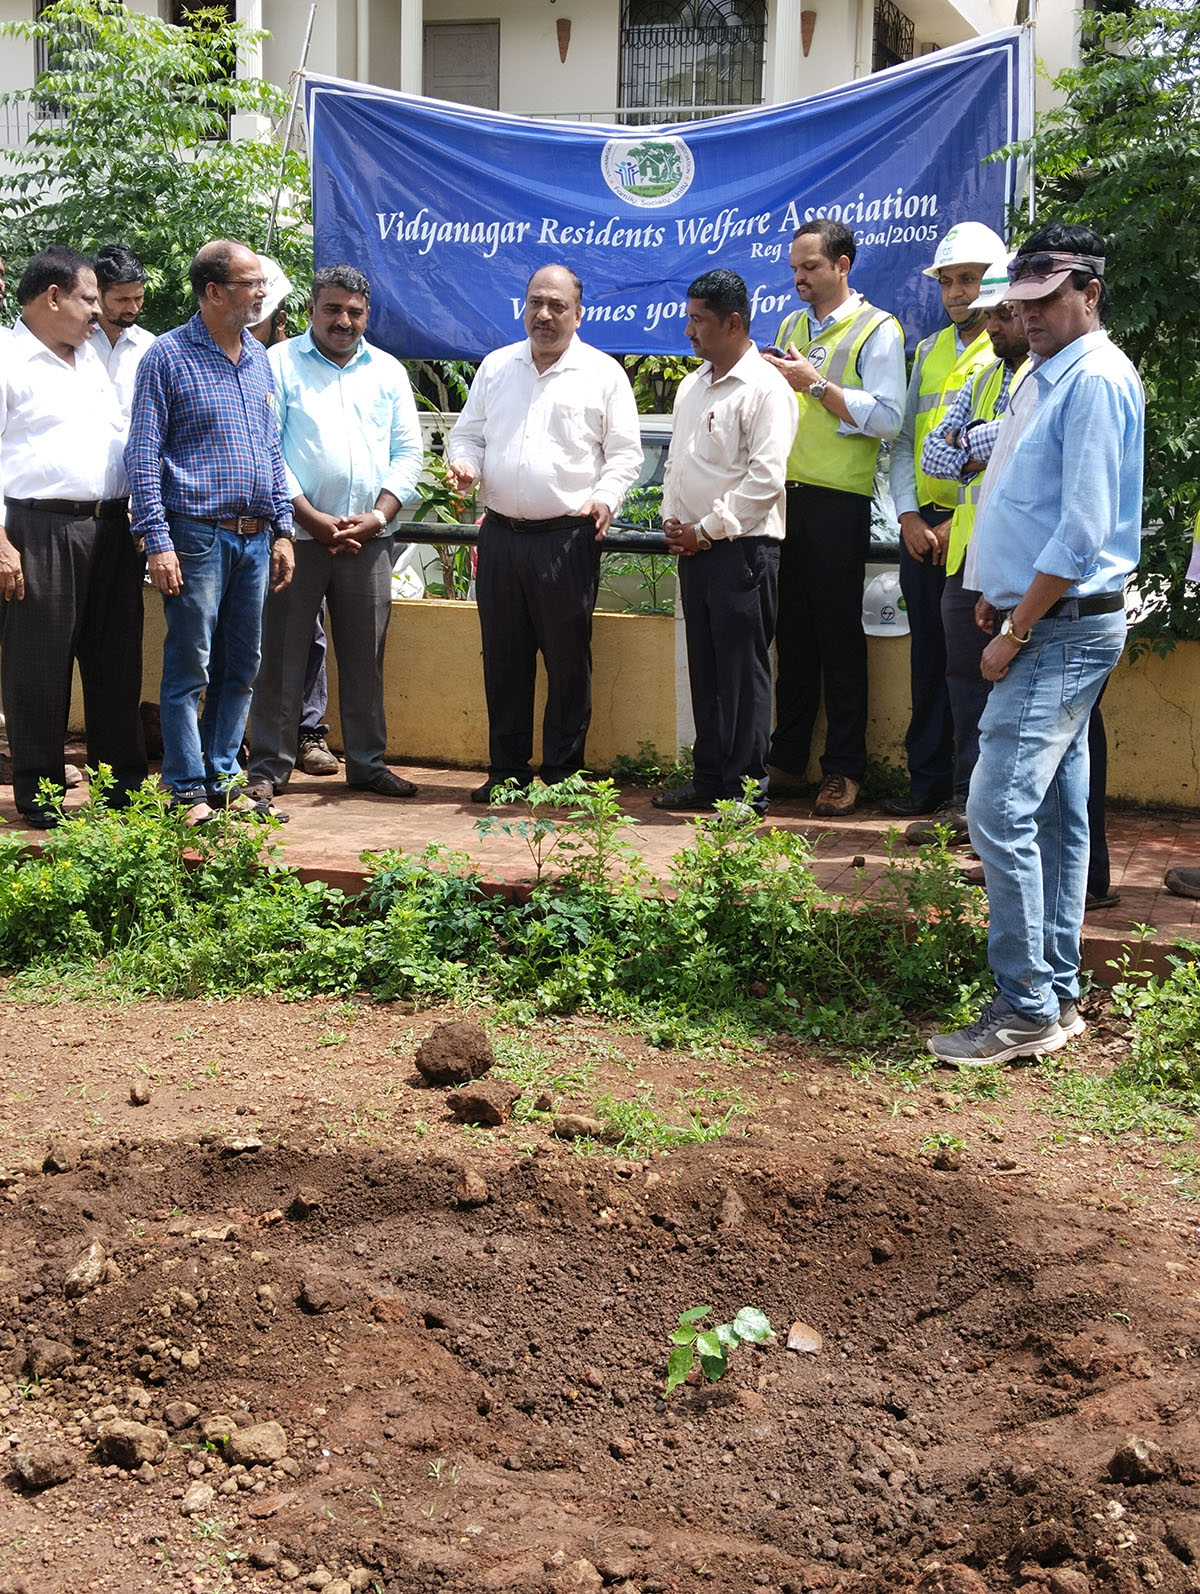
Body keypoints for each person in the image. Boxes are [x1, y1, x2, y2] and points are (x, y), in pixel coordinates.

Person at [928, 223, 1144, 1067]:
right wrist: (995, 593)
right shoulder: (1044, 375)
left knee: (996, 807)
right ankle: (1053, 992)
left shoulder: (1092, 380)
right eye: (1022, 301)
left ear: (1088, 292)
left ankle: (1024, 1007)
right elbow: (1022, 501)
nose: (1033, 314)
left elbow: (1084, 527)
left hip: (1058, 629)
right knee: (1053, 810)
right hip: (1040, 617)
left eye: (1049, 299)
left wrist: (1015, 630)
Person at [445, 263, 641, 803]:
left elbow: (625, 455)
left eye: (557, 305)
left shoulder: (603, 374)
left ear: (579, 314)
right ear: (523, 306)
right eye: (535, 302)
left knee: (567, 663)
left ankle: (561, 775)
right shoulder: (496, 366)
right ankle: (506, 773)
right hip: (501, 538)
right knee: (503, 660)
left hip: (567, 542)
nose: (545, 314)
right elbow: (467, 438)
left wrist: (605, 497)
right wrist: (465, 465)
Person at [125, 238, 295, 827]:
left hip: (253, 537)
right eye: (250, 283)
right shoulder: (167, 358)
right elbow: (143, 455)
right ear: (214, 291)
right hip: (194, 535)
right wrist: (157, 539)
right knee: (190, 664)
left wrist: (283, 530)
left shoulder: (258, 357)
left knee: (241, 663)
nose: (260, 292)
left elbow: (271, 453)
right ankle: (186, 788)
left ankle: (224, 776)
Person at [246, 265, 423, 801]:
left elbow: (408, 452)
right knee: (280, 655)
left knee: (366, 656)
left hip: (368, 541)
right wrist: (308, 517)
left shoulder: (388, 371)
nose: (343, 320)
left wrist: (378, 517)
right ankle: (268, 770)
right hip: (296, 540)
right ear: (310, 311)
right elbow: (268, 448)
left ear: (367, 314)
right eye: (333, 309)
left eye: (354, 311)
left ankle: (368, 763)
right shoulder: (276, 363)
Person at [761, 218, 906, 817]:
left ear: (843, 265)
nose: (798, 278)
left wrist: (816, 385)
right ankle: (788, 760)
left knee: (838, 640)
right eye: (794, 267)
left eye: (810, 267)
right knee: (791, 638)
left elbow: (890, 417)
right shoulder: (792, 325)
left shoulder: (879, 330)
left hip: (837, 501)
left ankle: (845, 769)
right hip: (783, 496)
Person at [0, 246, 146, 828]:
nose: (97, 313)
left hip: (112, 527)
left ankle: (123, 791)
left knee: (117, 662)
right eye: (90, 299)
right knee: (39, 667)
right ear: (53, 297)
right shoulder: (8, 360)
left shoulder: (92, 360)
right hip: (39, 529)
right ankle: (40, 793)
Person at [652, 269, 795, 816]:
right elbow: (682, 465)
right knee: (706, 669)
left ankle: (745, 788)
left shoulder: (767, 389)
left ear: (733, 323)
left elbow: (765, 481)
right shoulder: (694, 385)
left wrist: (705, 530)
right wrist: (674, 523)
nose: (688, 331)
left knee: (742, 673)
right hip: (696, 550)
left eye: (698, 320)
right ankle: (710, 777)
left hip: (742, 552)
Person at [906, 257, 1031, 845]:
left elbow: (1014, 438)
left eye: (1004, 313)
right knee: (963, 681)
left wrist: (973, 440)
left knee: (1017, 689)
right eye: (989, 315)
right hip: (971, 556)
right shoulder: (981, 379)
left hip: (1025, 560)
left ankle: (1009, 820)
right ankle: (965, 804)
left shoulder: (1043, 372)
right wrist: (976, 439)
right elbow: (935, 457)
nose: (993, 324)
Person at [887, 220, 1006, 819]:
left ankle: (971, 795)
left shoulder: (1009, 347)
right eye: (950, 281)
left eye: (970, 279)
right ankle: (928, 786)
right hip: (922, 529)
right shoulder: (930, 349)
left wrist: (948, 522)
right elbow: (908, 440)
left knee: (974, 665)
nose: (959, 292)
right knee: (930, 660)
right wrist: (908, 515)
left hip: (976, 529)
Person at [247, 258, 339, 780]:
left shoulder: (270, 361)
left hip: (294, 530)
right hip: (234, 530)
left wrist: (301, 518)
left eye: (261, 312)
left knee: (307, 637)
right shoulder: (257, 362)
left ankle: (307, 734)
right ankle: (244, 747)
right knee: (242, 639)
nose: (252, 321)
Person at [88, 242, 156, 420]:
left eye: (138, 298)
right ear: (98, 292)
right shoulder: (73, 342)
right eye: (122, 300)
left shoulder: (150, 347)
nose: (133, 308)